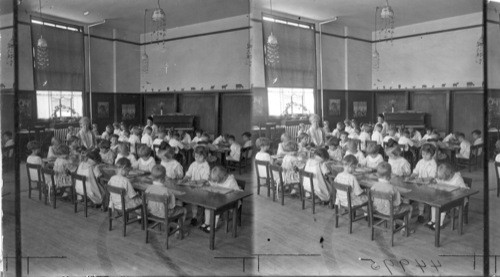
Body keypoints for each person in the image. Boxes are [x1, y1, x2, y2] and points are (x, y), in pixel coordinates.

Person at [370, 162, 413, 234]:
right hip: (390, 211)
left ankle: (394, 224)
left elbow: (372, 199)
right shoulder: (392, 188)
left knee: (391, 205)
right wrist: (402, 199)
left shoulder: (374, 186)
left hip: (377, 209)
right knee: (409, 207)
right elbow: (397, 203)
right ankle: (404, 229)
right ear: (389, 175)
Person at [145, 165, 187, 237]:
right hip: (165, 214)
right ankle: (178, 232)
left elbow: (146, 202)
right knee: (184, 210)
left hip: (151, 212)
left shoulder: (148, 188)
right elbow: (171, 206)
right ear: (164, 178)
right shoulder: (167, 191)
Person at [426, 163, 468, 230]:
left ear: (448, 175)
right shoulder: (443, 177)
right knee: (434, 203)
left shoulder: (457, 179)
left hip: (458, 199)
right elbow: (438, 180)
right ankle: (433, 220)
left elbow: (464, 190)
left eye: (443, 178)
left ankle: (439, 224)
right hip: (446, 197)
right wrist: (433, 182)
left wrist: (455, 192)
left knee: (442, 205)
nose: (442, 180)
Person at [200, 166, 242, 233]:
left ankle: (213, 226)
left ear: (222, 177)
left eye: (217, 180)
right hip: (220, 199)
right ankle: (207, 223)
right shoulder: (219, 179)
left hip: (232, 202)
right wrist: (209, 183)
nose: (216, 182)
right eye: (215, 181)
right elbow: (212, 183)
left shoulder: (231, 181)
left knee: (216, 207)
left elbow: (237, 193)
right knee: (207, 205)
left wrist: (230, 193)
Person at [410, 143, 437, 223]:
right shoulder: (421, 161)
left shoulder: (433, 164)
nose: (424, 156)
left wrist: (421, 179)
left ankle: (424, 215)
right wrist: (411, 176)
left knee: (424, 199)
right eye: (423, 154)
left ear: (432, 154)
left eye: (427, 154)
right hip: (420, 184)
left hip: (430, 186)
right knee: (418, 197)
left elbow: (431, 177)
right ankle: (419, 213)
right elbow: (416, 171)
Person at [183, 146, 210, 226]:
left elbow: (205, 179)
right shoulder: (193, 164)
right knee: (193, 202)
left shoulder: (206, 166)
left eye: (200, 157)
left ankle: (201, 218)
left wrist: (195, 181)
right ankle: (194, 217)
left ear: (204, 156)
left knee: (201, 203)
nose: (197, 158)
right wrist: (184, 179)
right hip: (194, 187)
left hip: (203, 188)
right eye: (196, 156)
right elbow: (188, 174)